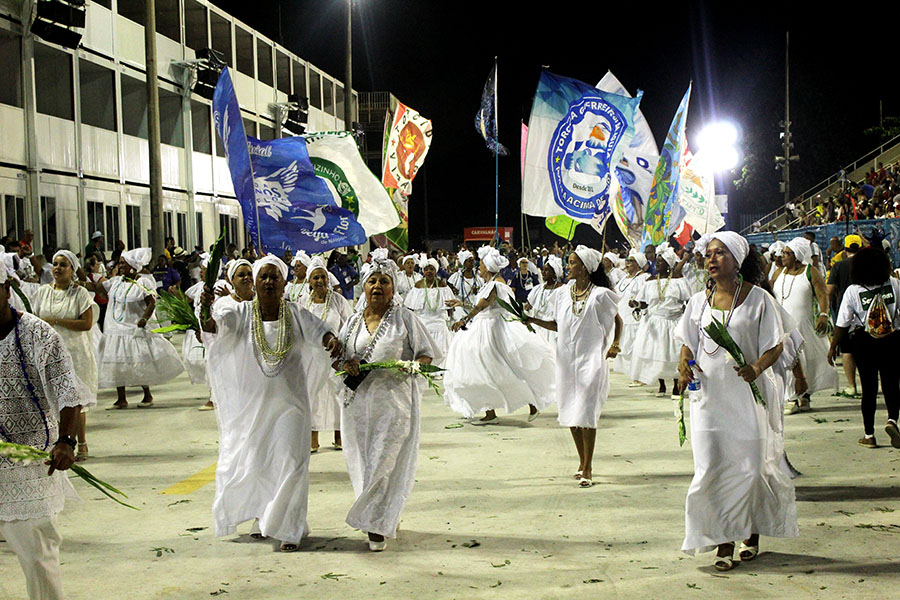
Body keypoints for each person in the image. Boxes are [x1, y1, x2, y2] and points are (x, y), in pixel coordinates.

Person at [202, 254, 342, 552]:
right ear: (254, 282)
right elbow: (215, 328)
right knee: (259, 463)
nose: (268, 281)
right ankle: (263, 518)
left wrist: (331, 340)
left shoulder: (296, 313)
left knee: (291, 462)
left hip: (291, 406)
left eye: (274, 276)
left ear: (284, 283)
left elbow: (322, 332)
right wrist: (204, 308)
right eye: (262, 276)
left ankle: (290, 528)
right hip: (253, 407)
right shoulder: (241, 314)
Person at [676, 232, 798, 571]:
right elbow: (688, 341)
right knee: (712, 468)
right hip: (709, 400)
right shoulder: (699, 301)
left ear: (738, 259)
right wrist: (683, 364)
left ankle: (751, 532)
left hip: (748, 397)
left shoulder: (758, 299)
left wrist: (756, 367)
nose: (711, 260)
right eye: (708, 254)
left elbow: (776, 345)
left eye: (720, 254)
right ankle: (723, 539)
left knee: (750, 468)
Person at [334, 256, 439, 551]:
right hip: (357, 405)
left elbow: (426, 353)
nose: (377, 286)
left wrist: (413, 366)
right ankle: (383, 514)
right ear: (363, 287)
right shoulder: (353, 322)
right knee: (363, 464)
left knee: (383, 462)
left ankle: (374, 525)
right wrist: (347, 363)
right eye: (372, 281)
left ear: (393, 288)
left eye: (384, 281)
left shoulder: (405, 318)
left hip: (393, 405)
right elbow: (339, 358)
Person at [0, 266, 92, 600]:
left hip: (30, 466)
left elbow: (69, 392)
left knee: (38, 559)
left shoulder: (37, 334)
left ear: (6, 288)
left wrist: (67, 441)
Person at [528, 246, 622, 488]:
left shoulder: (601, 295)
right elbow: (557, 324)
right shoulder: (561, 294)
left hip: (591, 359)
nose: (567, 266)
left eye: (571, 263)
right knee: (570, 411)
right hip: (566, 360)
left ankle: (588, 466)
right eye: (568, 262)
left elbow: (618, 320)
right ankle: (581, 461)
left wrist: (615, 344)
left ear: (584, 268)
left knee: (587, 411)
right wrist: (531, 320)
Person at [443, 247, 555, 424]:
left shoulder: (496, 284)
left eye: (480, 265)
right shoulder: (490, 283)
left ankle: (529, 403)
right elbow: (478, 305)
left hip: (491, 332)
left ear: (487, 267)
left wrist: (464, 319)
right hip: (484, 328)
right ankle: (491, 412)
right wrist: (461, 303)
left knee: (495, 370)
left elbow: (481, 306)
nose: (479, 268)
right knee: (486, 371)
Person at [828, 246, 900, 449]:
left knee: (868, 389)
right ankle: (892, 421)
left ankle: (869, 435)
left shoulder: (853, 291)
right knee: (891, 384)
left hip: (864, 342)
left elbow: (842, 323)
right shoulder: (894, 284)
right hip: (892, 339)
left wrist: (833, 346)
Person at [95, 248, 184, 408]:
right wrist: (79, 282)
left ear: (131, 266)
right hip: (115, 329)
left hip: (133, 327)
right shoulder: (116, 282)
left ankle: (147, 395)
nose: (120, 266)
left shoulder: (142, 282)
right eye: (120, 263)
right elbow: (98, 288)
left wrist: (144, 318)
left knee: (139, 361)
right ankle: (121, 398)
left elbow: (151, 301)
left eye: (123, 263)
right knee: (117, 363)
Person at [32, 250, 98, 462]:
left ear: (72, 270)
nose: (58, 268)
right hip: (48, 352)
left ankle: (81, 443)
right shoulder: (42, 292)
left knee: (74, 400)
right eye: (55, 264)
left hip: (75, 352)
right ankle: (56, 442)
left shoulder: (80, 294)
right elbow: (33, 320)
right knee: (51, 399)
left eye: (63, 265)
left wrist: (56, 321)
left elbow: (86, 323)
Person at [771, 237, 837, 414]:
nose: (782, 256)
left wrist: (824, 314)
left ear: (797, 256)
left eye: (787, 253)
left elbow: (823, 295)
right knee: (786, 359)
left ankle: (804, 395)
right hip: (782, 326)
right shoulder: (778, 273)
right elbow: (769, 293)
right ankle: (791, 397)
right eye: (783, 252)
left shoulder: (810, 272)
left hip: (803, 324)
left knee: (807, 361)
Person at [299, 256, 352, 452]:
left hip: (335, 356)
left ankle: (339, 436)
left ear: (328, 279)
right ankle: (313, 438)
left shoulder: (338, 300)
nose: (319, 281)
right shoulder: (303, 301)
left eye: (322, 276)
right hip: (310, 356)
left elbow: (349, 324)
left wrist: (343, 346)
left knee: (337, 395)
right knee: (312, 395)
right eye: (315, 278)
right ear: (309, 281)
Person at [630, 247, 693, 398]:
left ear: (669, 264)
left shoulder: (679, 281)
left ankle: (676, 386)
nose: (657, 265)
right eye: (656, 262)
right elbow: (644, 303)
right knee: (656, 352)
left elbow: (688, 301)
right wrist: (637, 305)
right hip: (654, 323)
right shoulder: (650, 281)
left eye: (660, 262)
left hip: (674, 321)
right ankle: (661, 385)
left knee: (673, 354)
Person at [827, 235, 863, 396]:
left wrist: (827, 309)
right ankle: (868, 385)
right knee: (865, 350)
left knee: (847, 350)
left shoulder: (838, 265)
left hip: (845, 311)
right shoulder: (868, 264)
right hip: (865, 312)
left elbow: (830, 290)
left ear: (845, 248)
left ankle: (851, 386)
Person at [403, 256, 455, 366]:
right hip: (422, 323)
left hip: (438, 322)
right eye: (426, 269)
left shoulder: (442, 285)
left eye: (431, 269)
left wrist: (451, 318)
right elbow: (410, 307)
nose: (428, 272)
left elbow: (450, 306)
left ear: (436, 271)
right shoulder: (418, 285)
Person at [610, 250, 651, 383]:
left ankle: (639, 375)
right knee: (624, 344)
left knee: (635, 346)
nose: (627, 263)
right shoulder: (623, 279)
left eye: (631, 261)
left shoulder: (644, 278)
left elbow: (646, 298)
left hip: (636, 318)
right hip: (623, 316)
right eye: (627, 260)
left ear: (638, 264)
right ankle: (629, 373)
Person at [524, 255, 564, 349]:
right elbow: (528, 305)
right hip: (536, 327)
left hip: (551, 329)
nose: (543, 272)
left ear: (554, 273)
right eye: (542, 270)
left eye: (546, 270)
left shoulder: (563, 290)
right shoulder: (538, 289)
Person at [446, 249, 483, 322]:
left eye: (473, 260)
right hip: (460, 309)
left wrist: (478, 290)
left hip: (474, 308)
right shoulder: (456, 277)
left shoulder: (478, 276)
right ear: (464, 263)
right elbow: (448, 288)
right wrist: (453, 289)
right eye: (469, 261)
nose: (472, 262)